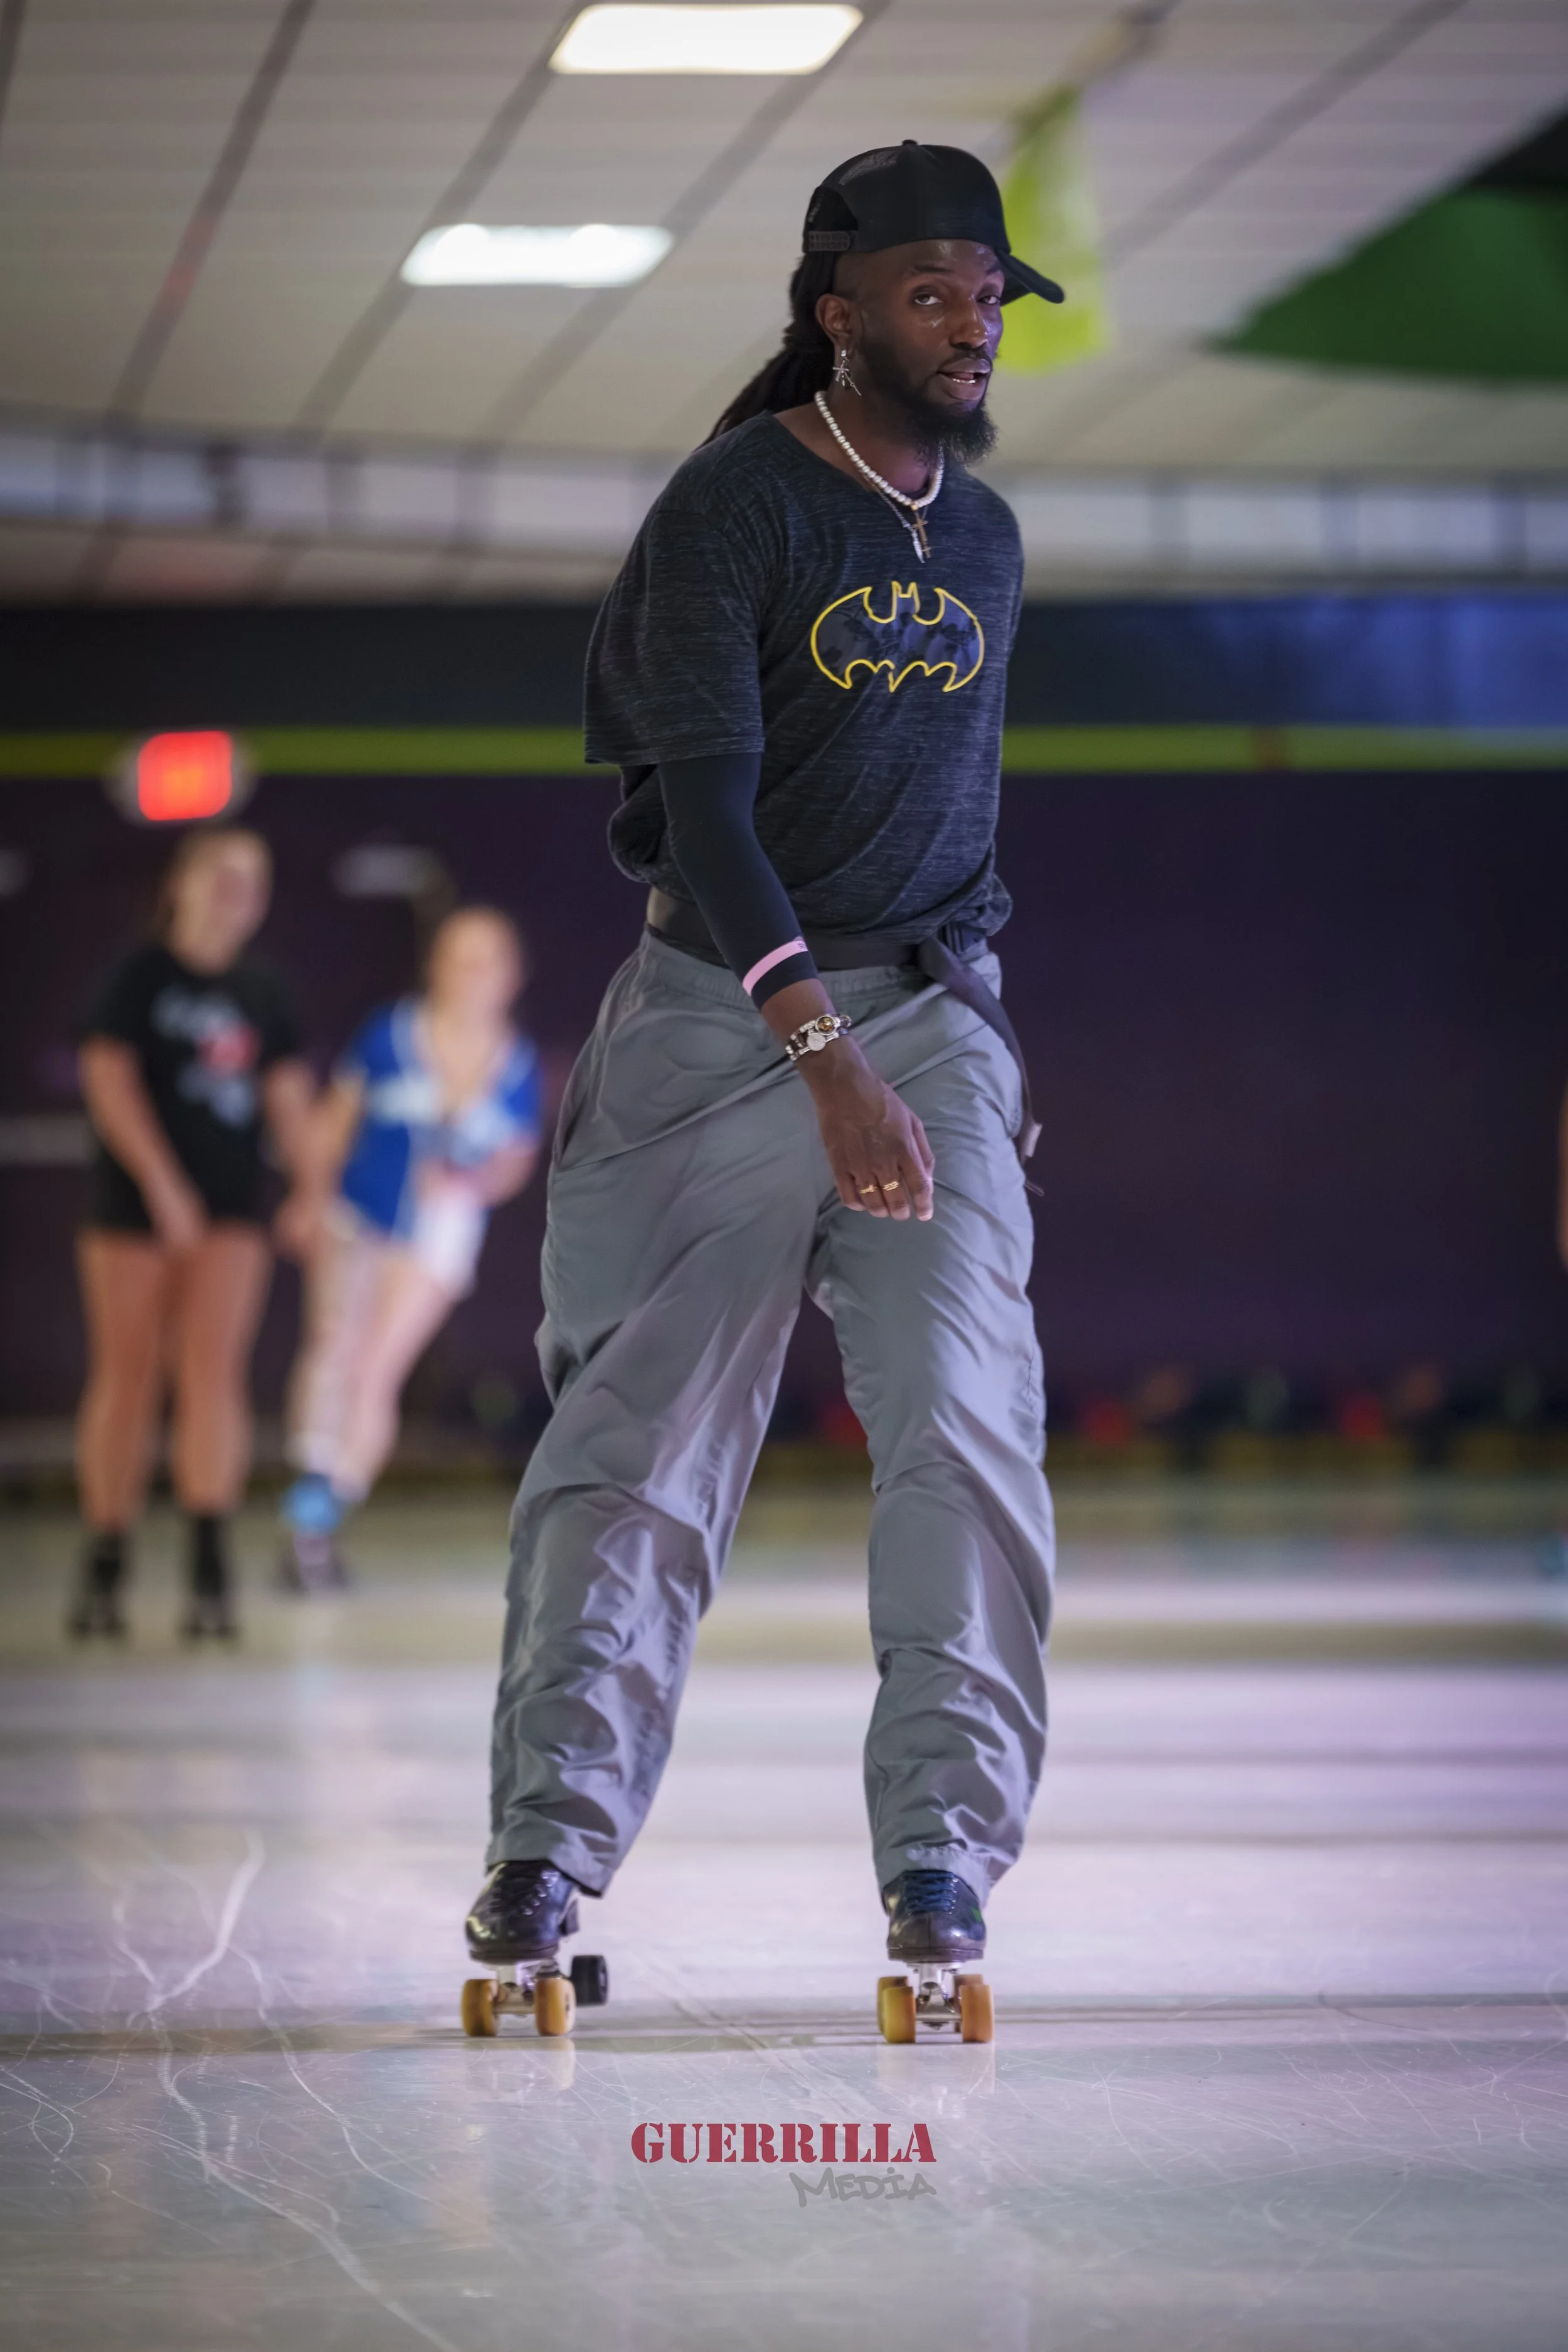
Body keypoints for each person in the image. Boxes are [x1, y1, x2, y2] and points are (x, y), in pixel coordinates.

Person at [467, 142, 1062, 2005]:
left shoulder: (979, 536)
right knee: (633, 1459)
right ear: (835, 313)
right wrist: (821, 1056)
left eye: (986, 292)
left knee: (961, 1424)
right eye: (930, 292)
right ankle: (545, 1847)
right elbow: (709, 821)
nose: (969, 324)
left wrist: (945, 1037)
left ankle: (940, 1860)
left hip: (929, 1019)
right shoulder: (733, 507)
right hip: (718, 1022)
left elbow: (947, 807)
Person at [72, 827, 314, 1641]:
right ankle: (107, 1556)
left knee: (213, 1374)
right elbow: (108, 1080)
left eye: (254, 879)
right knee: (129, 1374)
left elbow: (287, 1097)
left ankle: (209, 1557)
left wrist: (312, 1188)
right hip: (133, 1209)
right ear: (182, 883)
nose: (237, 892)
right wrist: (162, 1184)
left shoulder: (265, 989)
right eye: (222, 875)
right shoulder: (138, 977)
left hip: (230, 1206)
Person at [278, 908, 541, 1588]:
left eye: (486, 961)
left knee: (375, 1366)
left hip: (438, 1235)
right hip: (360, 1213)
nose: (470, 975)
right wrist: (309, 1195)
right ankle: (309, 1494)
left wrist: (470, 1178)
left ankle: (325, 1509)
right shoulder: (391, 1033)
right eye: (459, 958)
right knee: (334, 1342)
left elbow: (515, 1159)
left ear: (511, 976)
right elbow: (334, 1118)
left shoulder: (515, 1063)